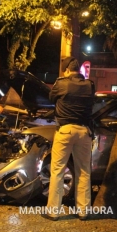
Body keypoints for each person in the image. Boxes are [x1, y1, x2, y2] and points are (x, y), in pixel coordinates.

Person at [44, 57, 95, 221]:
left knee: (57, 171)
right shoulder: (90, 85)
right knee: (84, 172)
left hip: (65, 131)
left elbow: (51, 98)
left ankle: (53, 212)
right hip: (83, 131)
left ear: (66, 70)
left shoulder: (61, 83)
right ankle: (83, 211)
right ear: (78, 70)